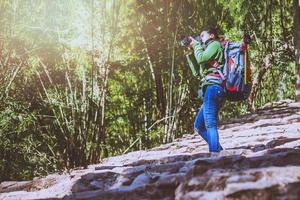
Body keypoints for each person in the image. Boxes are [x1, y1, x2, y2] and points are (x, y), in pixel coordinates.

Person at [186, 27, 225, 153]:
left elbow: (202, 58)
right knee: (199, 126)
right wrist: (190, 54)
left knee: (210, 124)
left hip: (214, 88)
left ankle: (215, 156)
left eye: (202, 35)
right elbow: (197, 72)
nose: (200, 38)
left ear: (212, 36)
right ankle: (219, 150)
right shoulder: (206, 49)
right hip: (210, 88)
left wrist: (196, 45)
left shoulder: (215, 44)